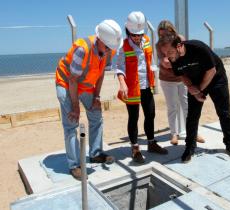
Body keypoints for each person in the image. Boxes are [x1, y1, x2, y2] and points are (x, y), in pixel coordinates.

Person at [55, 19, 123, 180]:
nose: (108, 51)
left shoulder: (109, 50)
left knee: (96, 115)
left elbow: (100, 74)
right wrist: (75, 106)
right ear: (99, 39)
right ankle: (75, 165)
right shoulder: (82, 49)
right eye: (106, 47)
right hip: (67, 83)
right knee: (71, 122)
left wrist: (96, 97)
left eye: (110, 48)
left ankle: (95, 154)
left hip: (85, 85)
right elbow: (72, 79)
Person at [157, 36, 230, 163]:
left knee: (224, 113)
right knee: (192, 115)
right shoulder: (173, 58)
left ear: (179, 46)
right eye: (164, 54)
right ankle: (189, 147)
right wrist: (191, 87)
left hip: (216, 78)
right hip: (195, 82)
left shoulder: (198, 48)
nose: (167, 57)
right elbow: (182, 75)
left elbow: (212, 71)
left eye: (169, 52)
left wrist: (199, 89)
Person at [116, 11, 168, 163]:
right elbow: (119, 67)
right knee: (134, 117)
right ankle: (135, 147)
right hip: (132, 87)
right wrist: (122, 82)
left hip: (146, 85)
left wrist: (155, 69)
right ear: (128, 32)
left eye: (139, 34)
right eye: (134, 35)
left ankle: (151, 143)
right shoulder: (123, 46)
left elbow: (149, 61)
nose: (137, 37)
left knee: (150, 114)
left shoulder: (146, 40)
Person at [156, 20, 205, 145]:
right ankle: (174, 134)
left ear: (172, 31)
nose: (164, 38)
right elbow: (165, 63)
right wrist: (175, 60)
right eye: (161, 35)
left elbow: (184, 57)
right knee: (172, 107)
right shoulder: (159, 44)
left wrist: (174, 60)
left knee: (187, 106)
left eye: (167, 34)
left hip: (183, 78)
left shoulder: (180, 39)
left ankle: (193, 132)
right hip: (167, 80)